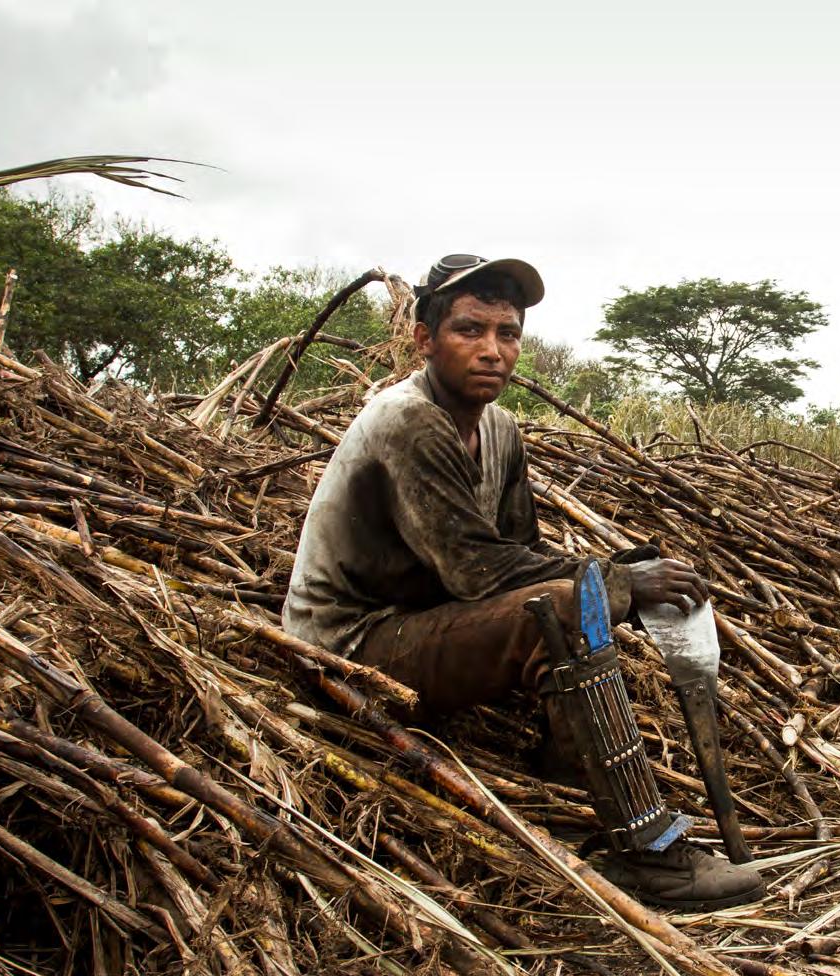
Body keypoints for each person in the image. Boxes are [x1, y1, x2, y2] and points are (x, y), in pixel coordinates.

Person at [283, 253, 764, 910]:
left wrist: (614, 574)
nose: (492, 350)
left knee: (577, 598)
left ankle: (570, 785)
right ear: (425, 339)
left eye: (507, 333)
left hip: (422, 623)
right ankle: (649, 855)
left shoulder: (501, 430)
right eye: (469, 330)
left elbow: (519, 554)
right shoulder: (407, 419)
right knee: (570, 605)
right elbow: (480, 572)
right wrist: (617, 583)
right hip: (346, 647)